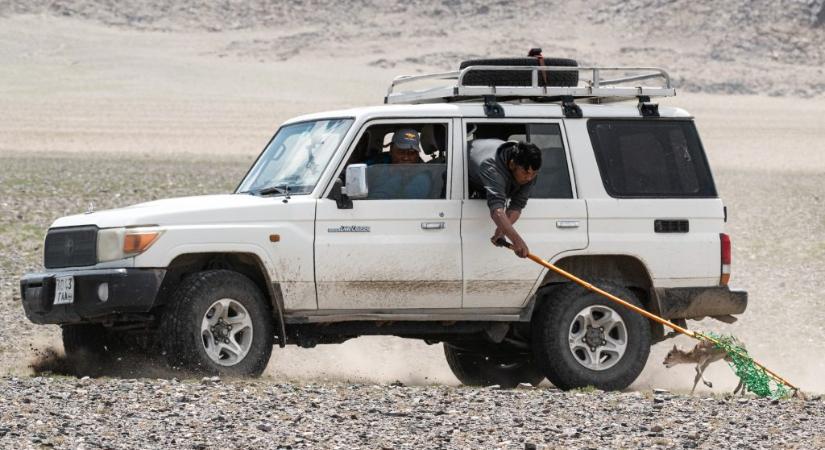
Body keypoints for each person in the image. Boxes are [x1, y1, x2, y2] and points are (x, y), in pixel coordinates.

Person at [468, 139, 542, 258]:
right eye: (525, 173)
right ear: (512, 164)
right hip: (467, 176)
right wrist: (517, 241)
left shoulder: (529, 171)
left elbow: (517, 206)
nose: (529, 178)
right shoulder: (491, 167)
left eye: (533, 174)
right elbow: (497, 210)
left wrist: (501, 231)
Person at [366, 129, 432, 199]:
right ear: (391, 150)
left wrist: (397, 175)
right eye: (401, 152)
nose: (406, 158)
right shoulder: (379, 161)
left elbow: (381, 200)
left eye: (411, 153)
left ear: (417, 155)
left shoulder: (422, 176)